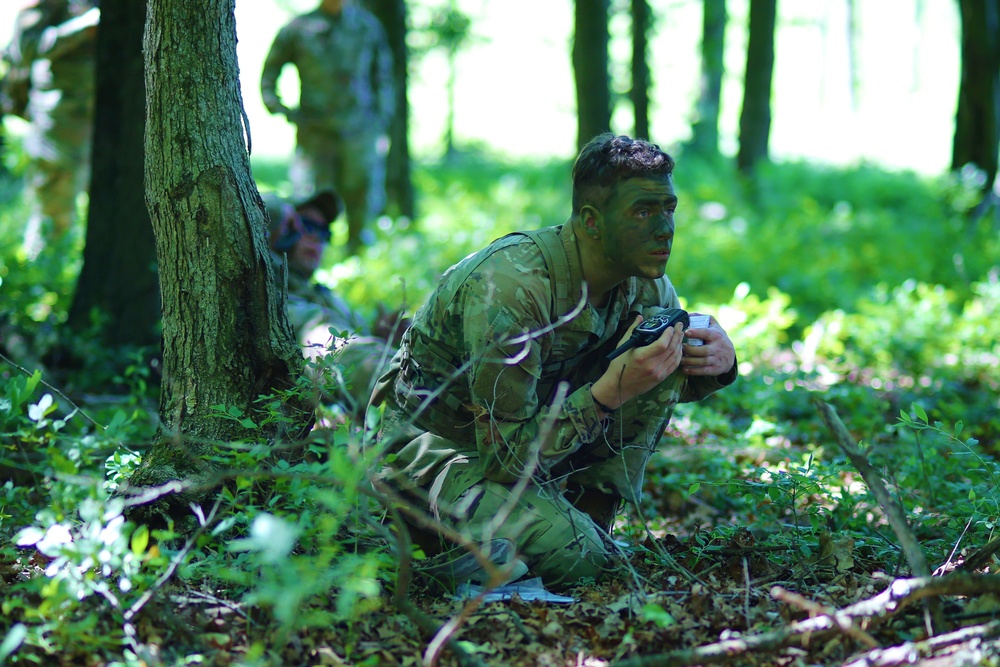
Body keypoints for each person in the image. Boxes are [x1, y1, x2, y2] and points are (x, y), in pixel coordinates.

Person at [368, 134, 738, 592]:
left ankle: (582, 521)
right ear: (591, 221)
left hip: (530, 447)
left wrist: (715, 361)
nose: (664, 229)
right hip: (438, 451)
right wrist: (610, 391)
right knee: (584, 562)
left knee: (661, 349)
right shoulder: (511, 289)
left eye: (669, 209)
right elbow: (503, 457)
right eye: (643, 211)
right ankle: (467, 544)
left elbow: (655, 381)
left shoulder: (644, 288)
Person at [260, 0, 395, 257]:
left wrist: (380, 119)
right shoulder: (299, 29)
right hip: (315, 134)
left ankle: (358, 259)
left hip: (359, 132)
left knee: (362, 198)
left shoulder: (368, 27)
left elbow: (384, 76)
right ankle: (304, 259)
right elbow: (269, 75)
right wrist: (281, 109)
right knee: (310, 200)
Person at [264, 189, 401, 418]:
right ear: (284, 226)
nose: (316, 238)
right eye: (306, 225)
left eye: (323, 232)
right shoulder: (272, 292)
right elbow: (344, 355)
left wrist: (388, 341)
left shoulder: (326, 297)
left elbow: (360, 345)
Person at [2, 0, 98, 256]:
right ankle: (40, 276)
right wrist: (81, 29)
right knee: (52, 211)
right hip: (60, 120)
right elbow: (27, 48)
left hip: (102, 118)